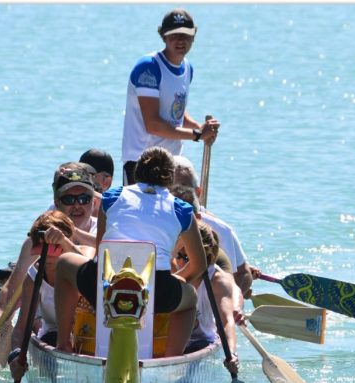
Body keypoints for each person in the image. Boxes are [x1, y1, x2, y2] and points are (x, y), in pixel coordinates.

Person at [54, 146, 207, 356]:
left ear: (136, 173)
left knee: (64, 264)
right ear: (170, 179)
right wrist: (178, 280)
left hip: (105, 284)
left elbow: (101, 249)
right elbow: (199, 265)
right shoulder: (182, 209)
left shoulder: (112, 197)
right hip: (156, 292)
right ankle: (171, 360)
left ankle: (63, 344)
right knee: (190, 298)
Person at [0, 163, 98, 354]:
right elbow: (11, 289)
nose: (77, 205)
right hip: (51, 324)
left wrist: (67, 237)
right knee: (34, 321)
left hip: (90, 326)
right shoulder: (36, 241)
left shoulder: (103, 236)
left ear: (94, 202)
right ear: (56, 203)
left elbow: (90, 270)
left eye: (84, 198)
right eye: (69, 199)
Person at [121, 8, 220, 185]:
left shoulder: (187, 68)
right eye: (174, 35)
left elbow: (175, 108)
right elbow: (153, 125)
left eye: (185, 35)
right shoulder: (149, 67)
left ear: (193, 36)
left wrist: (199, 127)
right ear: (163, 36)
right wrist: (197, 134)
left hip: (171, 162)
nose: (180, 40)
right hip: (142, 163)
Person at [7, 210, 83, 381]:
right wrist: (15, 355)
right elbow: (20, 329)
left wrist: (64, 241)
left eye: (55, 246)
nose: (48, 253)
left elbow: (93, 274)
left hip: (86, 336)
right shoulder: (33, 276)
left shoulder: (83, 256)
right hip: (52, 337)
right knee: (51, 337)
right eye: (42, 247)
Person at [172, 155, 253, 300]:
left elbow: (242, 274)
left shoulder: (222, 230)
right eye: (171, 188)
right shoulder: (156, 224)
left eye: (183, 187)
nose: (177, 194)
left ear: (197, 192)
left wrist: (233, 299)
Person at [175, 221, 240, 374]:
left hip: (201, 342)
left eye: (186, 257)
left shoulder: (218, 280)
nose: (180, 262)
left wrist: (231, 353)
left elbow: (227, 323)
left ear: (203, 256)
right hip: (173, 340)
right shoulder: (171, 266)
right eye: (178, 255)